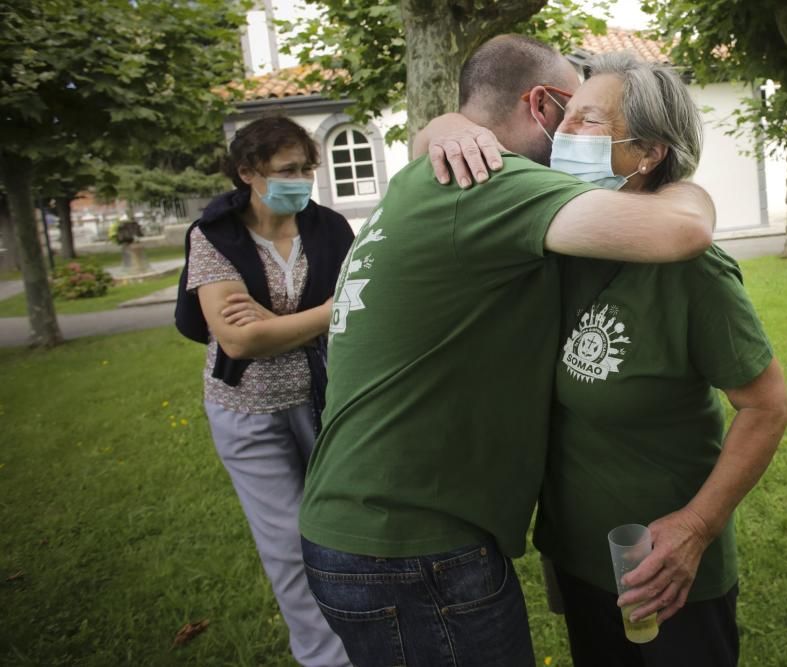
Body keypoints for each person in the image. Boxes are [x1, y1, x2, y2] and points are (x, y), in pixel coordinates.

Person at [298, 35, 717, 667]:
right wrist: (685, 187)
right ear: (543, 107)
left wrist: (441, 126)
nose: (577, 132)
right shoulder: (495, 184)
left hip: (368, 526)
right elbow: (684, 232)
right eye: (573, 112)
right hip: (415, 544)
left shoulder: (428, 173)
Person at [530, 52, 787, 666]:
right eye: (564, 118)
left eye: (588, 123)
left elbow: (766, 407)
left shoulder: (693, 273)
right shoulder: (554, 241)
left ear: (646, 152)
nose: (562, 135)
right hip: (577, 554)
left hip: (665, 568)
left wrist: (697, 528)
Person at [174, 116, 354, 667]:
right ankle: (325, 658)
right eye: (286, 170)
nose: (300, 179)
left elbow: (364, 312)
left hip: (325, 401)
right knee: (288, 546)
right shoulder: (215, 235)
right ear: (249, 172)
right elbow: (239, 341)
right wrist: (328, 312)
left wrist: (272, 322)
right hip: (247, 412)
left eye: (306, 168)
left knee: (341, 533)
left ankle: (365, 637)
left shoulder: (331, 229)